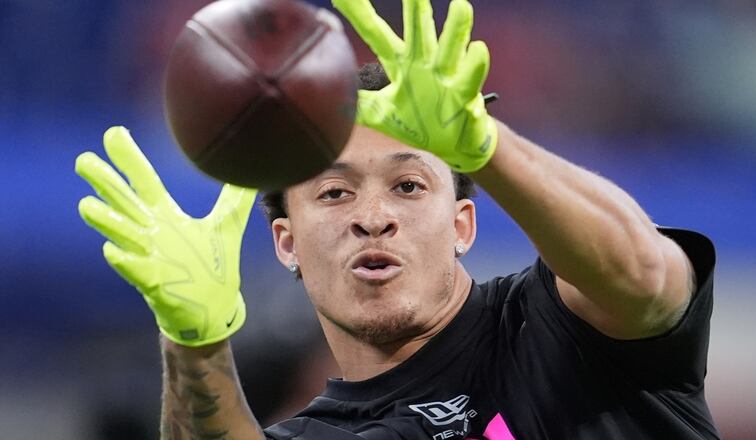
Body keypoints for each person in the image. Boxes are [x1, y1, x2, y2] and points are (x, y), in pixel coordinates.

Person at [75, 0, 720, 438]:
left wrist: (488, 147)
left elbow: (644, 274)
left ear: (463, 226)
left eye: (409, 185)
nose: (373, 217)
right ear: (286, 242)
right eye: (334, 194)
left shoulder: (552, 330)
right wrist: (193, 343)